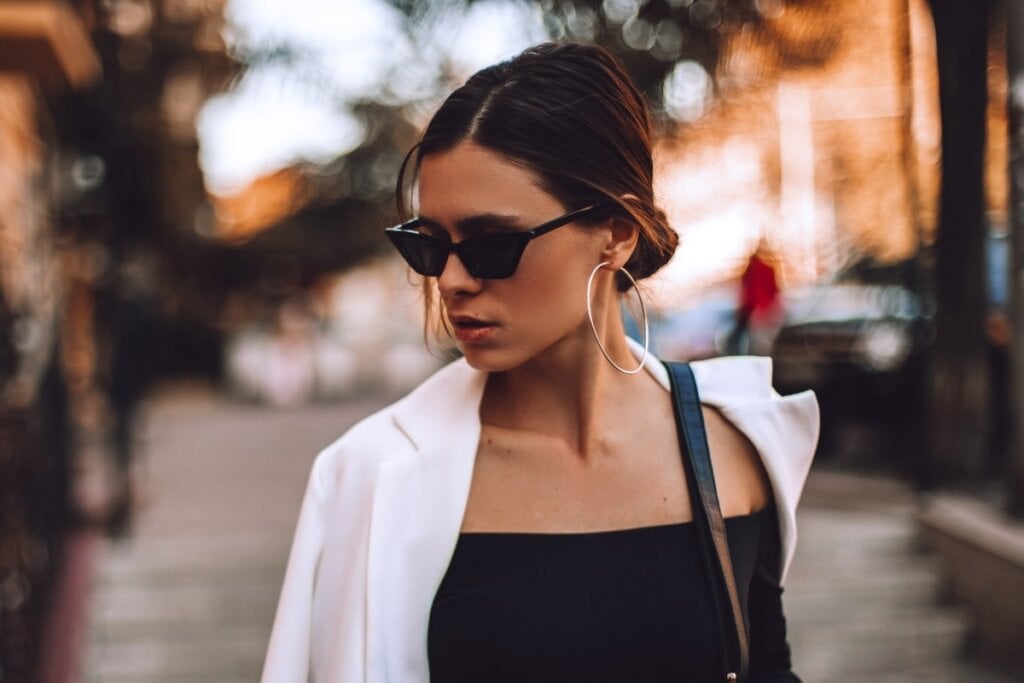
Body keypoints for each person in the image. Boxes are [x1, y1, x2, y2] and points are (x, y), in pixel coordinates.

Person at [262, 42, 819, 682]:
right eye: (430, 245)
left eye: (493, 244)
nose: (451, 279)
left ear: (616, 232)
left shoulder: (735, 444)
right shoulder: (373, 475)